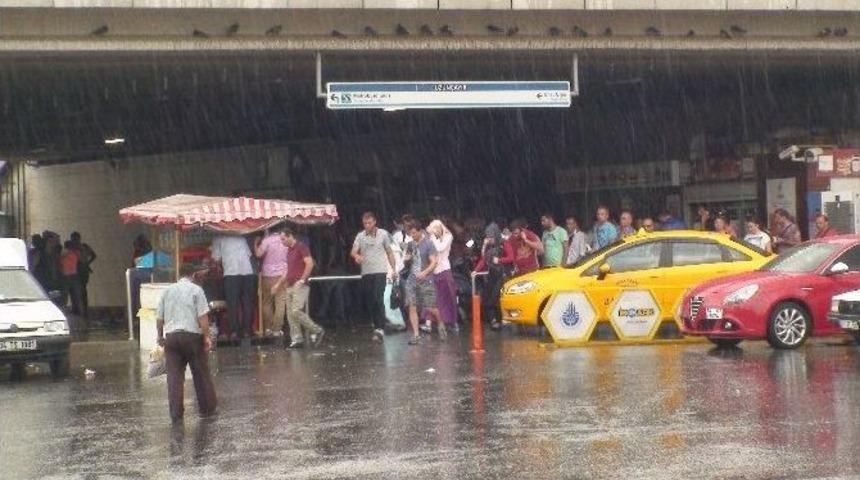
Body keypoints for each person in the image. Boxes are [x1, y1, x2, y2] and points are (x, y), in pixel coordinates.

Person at [156, 263, 217, 424]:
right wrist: (206, 337)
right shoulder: (197, 290)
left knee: (174, 377)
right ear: (193, 275)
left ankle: (176, 413)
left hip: (171, 338)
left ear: (179, 274)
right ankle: (207, 409)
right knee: (201, 374)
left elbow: (159, 318)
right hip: (192, 337)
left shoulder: (167, 291)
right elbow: (203, 318)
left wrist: (159, 336)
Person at [272, 228, 325, 349]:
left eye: (283, 239)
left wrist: (302, 280)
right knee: (290, 314)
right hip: (290, 285)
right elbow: (287, 270)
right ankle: (297, 339)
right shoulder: (289, 251)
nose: (282, 242)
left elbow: (309, 263)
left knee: (295, 310)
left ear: (290, 236)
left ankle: (316, 330)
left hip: (299, 285)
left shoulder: (301, 247)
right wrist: (278, 284)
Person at [351, 212, 397, 342]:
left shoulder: (383, 234)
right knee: (370, 299)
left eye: (369, 223)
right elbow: (353, 251)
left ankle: (380, 327)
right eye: (365, 223)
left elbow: (389, 252)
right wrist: (357, 256)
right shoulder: (360, 236)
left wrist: (393, 269)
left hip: (380, 271)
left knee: (378, 297)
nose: (367, 225)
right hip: (366, 272)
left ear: (374, 222)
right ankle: (376, 324)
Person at [402, 219, 443, 345]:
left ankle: (440, 322)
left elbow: (434, 262)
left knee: (430, 307)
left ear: (420, 231)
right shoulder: (410, 245)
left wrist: (424, 273)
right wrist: (406, 259)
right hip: (412, 280)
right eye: (410, 233)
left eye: (414, 233)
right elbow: (406, 261)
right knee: (412, 306)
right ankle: (416, 335)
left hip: (426, 279)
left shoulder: (429, 244)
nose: (412, 235)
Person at [211, 234, 256, 345]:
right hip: (247, 271)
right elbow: (249, 254)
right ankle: (247, 330)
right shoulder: (241, 236)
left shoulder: (218, 237)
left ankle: (235, 331)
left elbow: (216, 258)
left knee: (232, 304)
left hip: (231, 273)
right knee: (247, 303)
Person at [473, 222, 512, 331]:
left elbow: (511, 257)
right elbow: (484, 259)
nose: (489, 238)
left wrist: (499, 260)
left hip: (502, 273)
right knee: (487, 296)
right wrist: (475, 271)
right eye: (488, 236)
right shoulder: (489, 245)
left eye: (491, 236)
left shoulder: (504, 243)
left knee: (495, 297)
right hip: (492, 273)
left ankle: (499, 319)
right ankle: (493, 320)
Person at [254, 226, 289, 340]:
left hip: (267, 275)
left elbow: (258, 255)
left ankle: (268, 328)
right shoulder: (285, 240)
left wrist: (255, 244)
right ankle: (277, 329)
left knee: (267, 302)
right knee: (280, 302)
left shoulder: (266, 241)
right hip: (282, 275)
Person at [428, 219, 458, 330]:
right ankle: (433, 322)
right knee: (435, 298)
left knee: (449, 297)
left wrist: (432, 239)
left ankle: (452, 321)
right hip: (434, 270)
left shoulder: (448, 236)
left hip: (444, 269)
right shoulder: (432, 238)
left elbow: (440, 248)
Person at [70, 232, 96, 318]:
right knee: (81, 290)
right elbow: (93, 255)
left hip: (79, 270)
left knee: (78, 290)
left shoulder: (78, 247)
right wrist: (87, 263)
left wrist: (86, 263)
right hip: (81, 270)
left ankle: (80, 310)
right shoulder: (83, 247)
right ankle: (82, 309)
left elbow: (93, 255)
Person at [60, 240, 83, 318]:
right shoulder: (65, 252)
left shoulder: (75, 252)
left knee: (75, 294)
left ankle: (77, 312)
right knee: (66, 295)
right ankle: (66, 312)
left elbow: (80, 259)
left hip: (71, 274)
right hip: (67, 275)